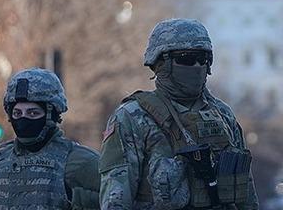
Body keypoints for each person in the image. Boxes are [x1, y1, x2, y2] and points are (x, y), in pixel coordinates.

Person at [99, 18, 259, 210]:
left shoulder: (222, 115)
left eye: (204, 59)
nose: (198, 66)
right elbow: (116, 200)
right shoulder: (132, 117)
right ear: (161, 62)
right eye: (187, 59)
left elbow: (246, 197)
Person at [0, 67, 100, 210]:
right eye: (17, 113)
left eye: (33, 113)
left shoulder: (81, 162)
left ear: (52, 115)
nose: (23, 120)